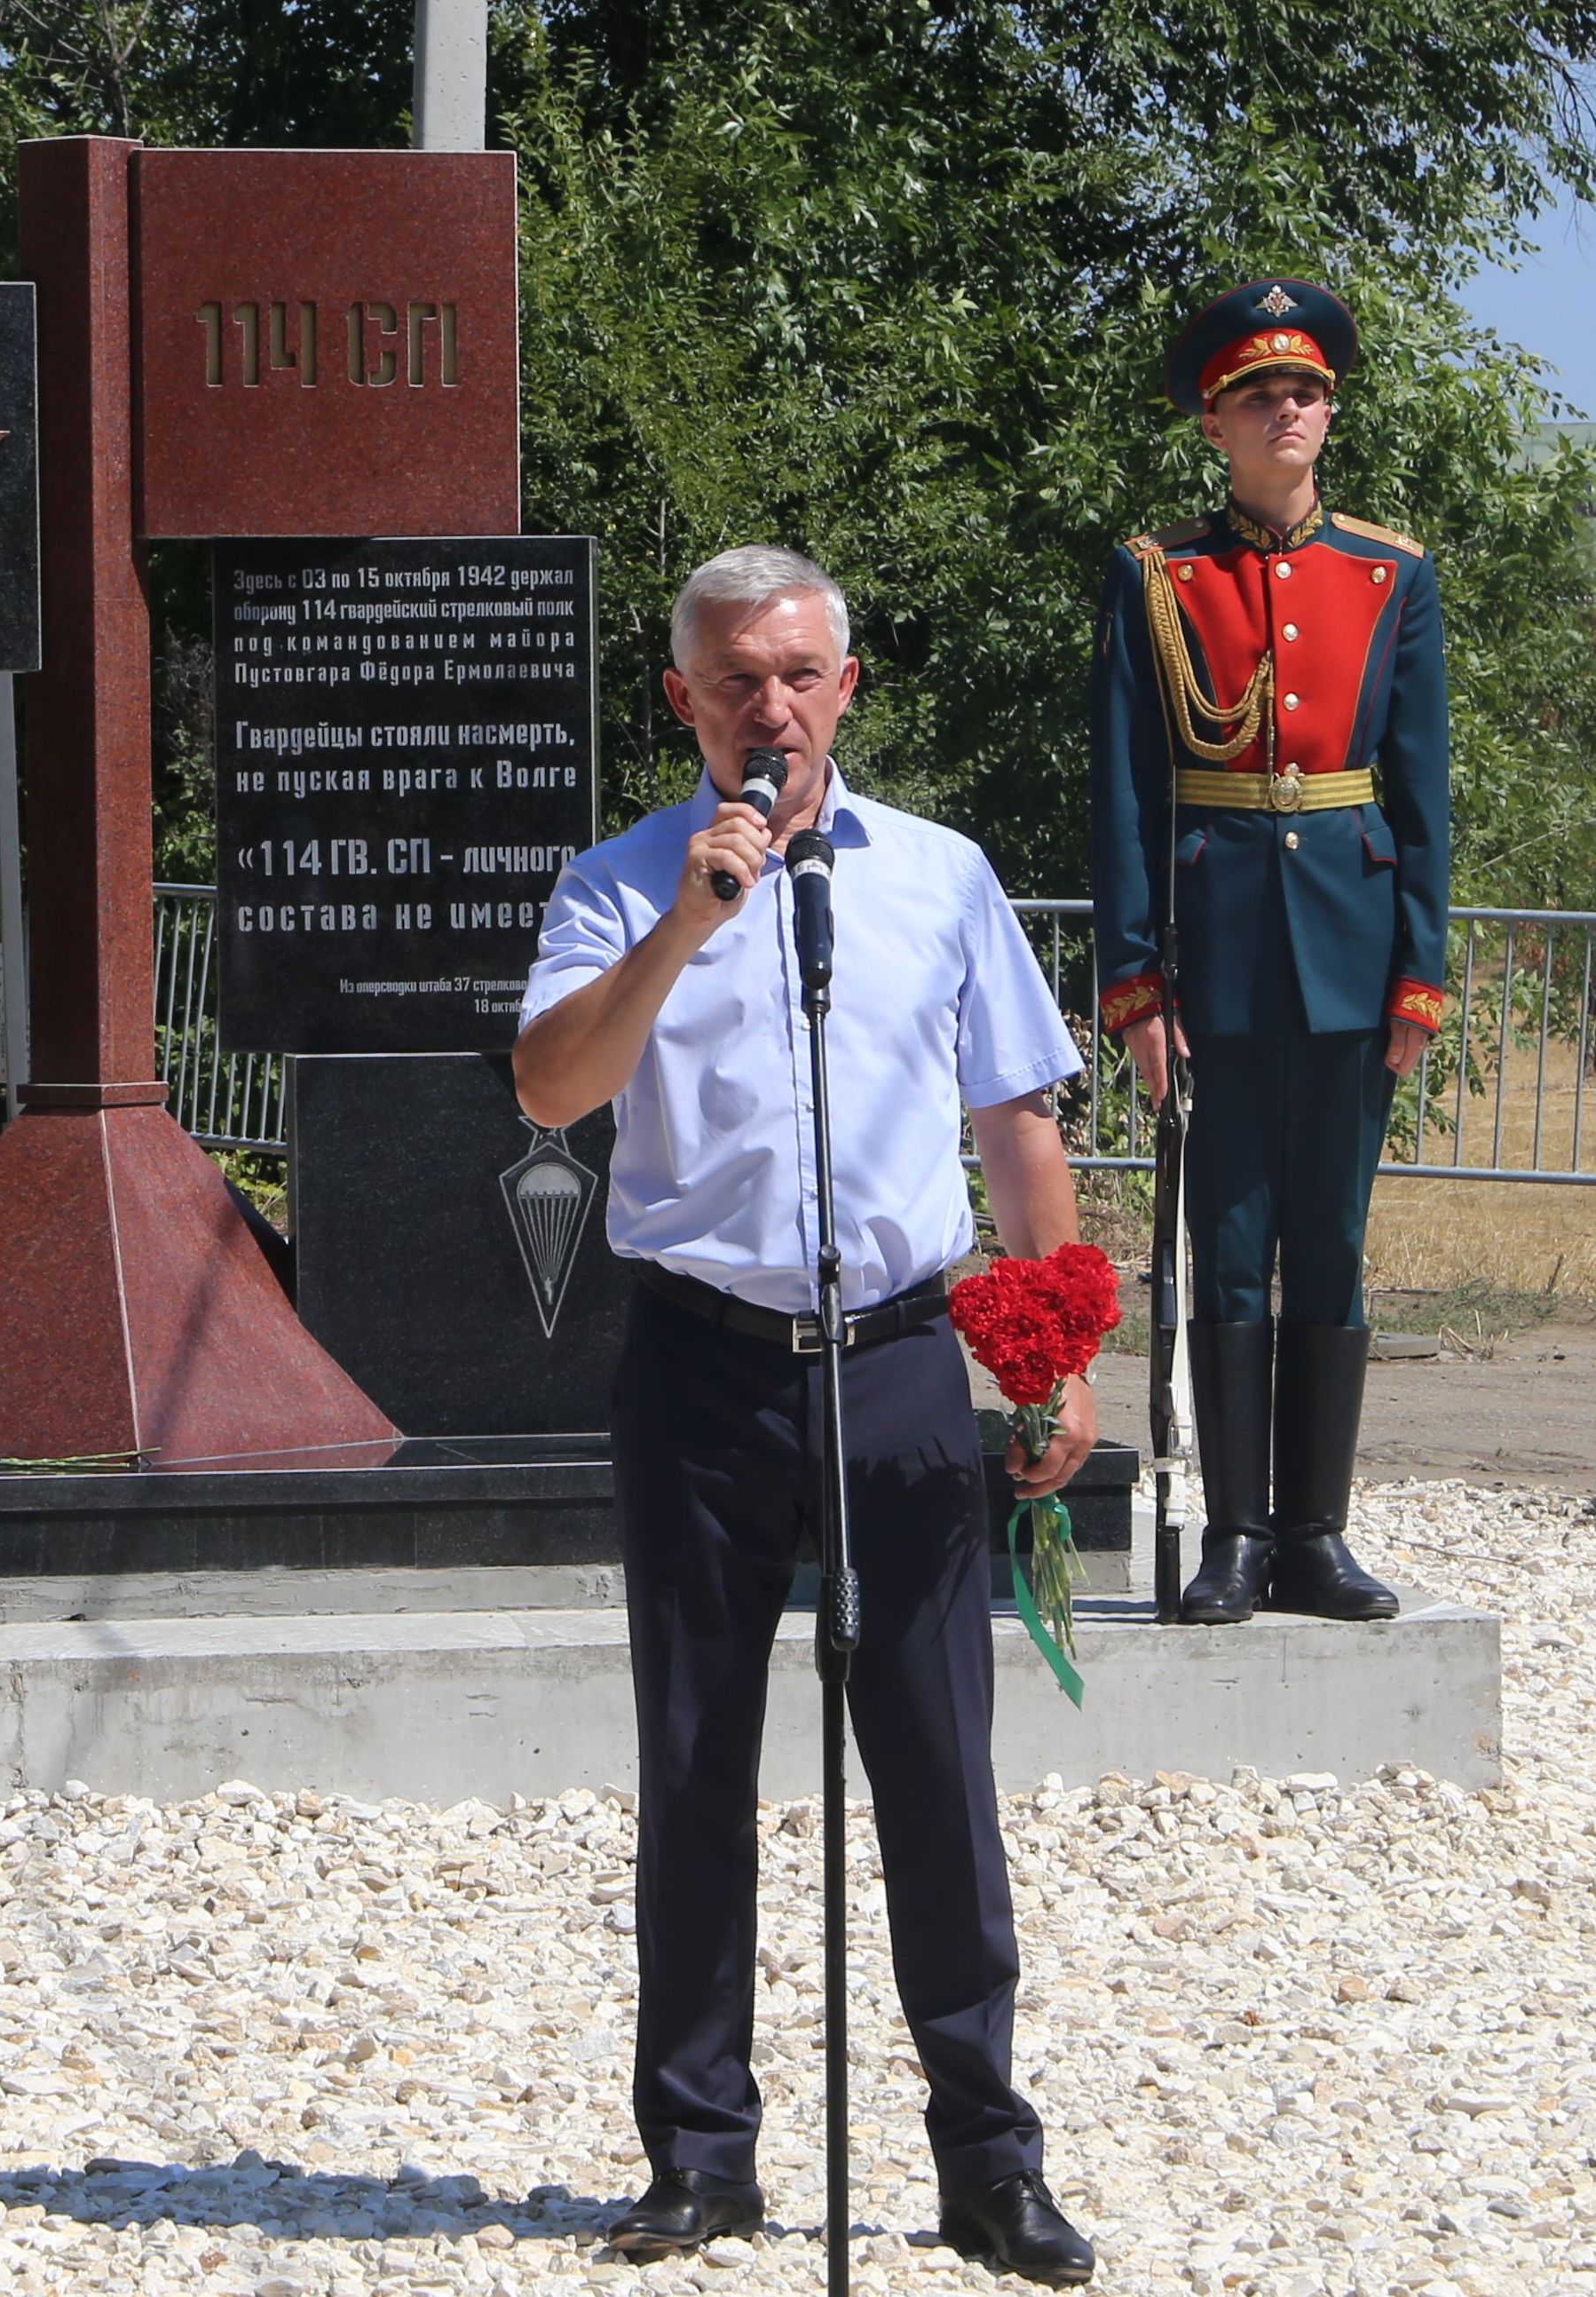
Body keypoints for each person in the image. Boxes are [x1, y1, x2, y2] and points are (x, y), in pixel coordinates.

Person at [513, 547, 1099, 2286]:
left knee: (936, 1771)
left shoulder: (939, 877)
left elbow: (1014, 1125)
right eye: (732, 678)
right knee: (695, 1765)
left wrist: (1051, 1347)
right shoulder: (625, 883)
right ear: (681, 700)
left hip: (901, 1364)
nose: (769, 705)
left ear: (846, 685)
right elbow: (553, 1088)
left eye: (796, 673)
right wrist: (695, 915)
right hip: (702, 1367)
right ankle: (699, 2156)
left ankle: (989, 2157)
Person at [1091, 280, 1447, 1628]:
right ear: (1213, 421)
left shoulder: (1386, 574)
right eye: (1258, 395)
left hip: (1351, 951)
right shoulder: (1157, 576)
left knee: (1335, 1247)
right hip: (1217, 952)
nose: (1286, 410)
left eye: (1302, 392)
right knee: (1230, 1245)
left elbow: (1419, 789)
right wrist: (1134, 987)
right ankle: (1233, 1534)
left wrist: (1418, 971)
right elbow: (1123, 790)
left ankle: (1315, 1534)